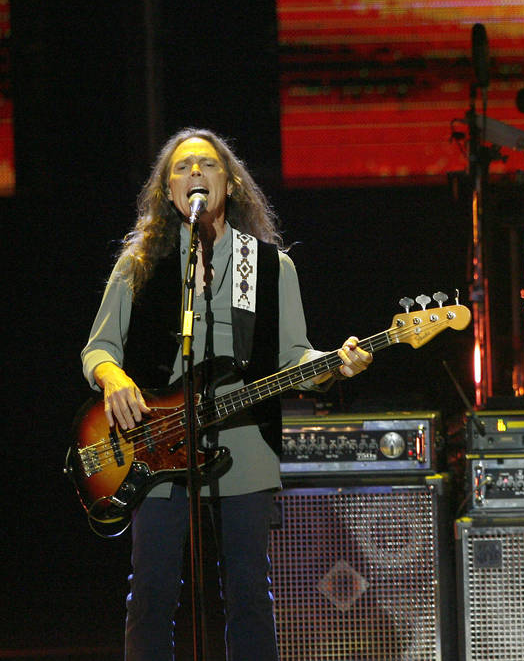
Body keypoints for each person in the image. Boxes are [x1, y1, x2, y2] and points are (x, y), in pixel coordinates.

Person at [81, 127, 373, 661]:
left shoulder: (267, 266)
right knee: (151, 592)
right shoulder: (140, 264)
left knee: (248, 596)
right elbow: (97, 349)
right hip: (156, 445)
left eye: (208, 165)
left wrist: (335, 366)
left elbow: (296, 359)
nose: (195, 173)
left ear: (231, 183)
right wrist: (114, 377)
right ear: (166, 191)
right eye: (182, 167)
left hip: (244, 445)